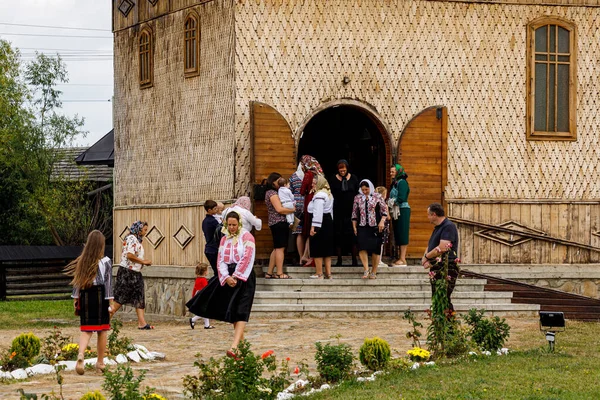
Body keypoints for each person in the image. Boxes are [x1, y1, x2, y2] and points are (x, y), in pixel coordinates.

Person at [186, 211, 257, 357]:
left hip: (244, 275)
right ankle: (243, 348)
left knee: (241, 310)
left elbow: (247, 257)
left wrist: (237, 275)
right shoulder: (224, 239)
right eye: (229, 225)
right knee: (233, 310)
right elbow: (220, 260)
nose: (231, 228)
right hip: (229, 276)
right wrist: (226, 277)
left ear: (239, 224)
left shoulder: (247, 237)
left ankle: (235, 346)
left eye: (234, 225)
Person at [64, 230, 113, 375]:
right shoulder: (106, 262)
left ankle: (81, 355)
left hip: (85, 294)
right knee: (102, 330)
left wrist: (76, 298)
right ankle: (100, 363)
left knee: (87, 329)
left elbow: (77, 282)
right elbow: (108, 284)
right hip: (100, 295)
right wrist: (110, 302)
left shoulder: (82, 261)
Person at [111, 221, 154, 329]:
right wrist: (143, 262)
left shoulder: (136, 240)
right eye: (144, 230)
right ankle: (105, 319)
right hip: (127, 272)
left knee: (139, 296)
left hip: (135, 272)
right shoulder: (131, 239)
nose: (145, 232)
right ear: (138, 229)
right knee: (120, 297)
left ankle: (142, 323)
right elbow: (130, 255)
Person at [421, 203, 459, 311]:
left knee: (444, 298)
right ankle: (439, 324)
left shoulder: (448, 226)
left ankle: (449, 325)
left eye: (428, 214)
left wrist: (428, 257)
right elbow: (432, 244)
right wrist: (425, 258)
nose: (427, 217)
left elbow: (443, 248)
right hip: (437, 266)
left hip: (447, 267)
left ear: (434, 214)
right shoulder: (438, 228)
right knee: (437, 297)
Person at [352, 179, 388, 279]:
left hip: (375, 225)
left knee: (375, 248)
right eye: (363, 190)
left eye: (366, 189)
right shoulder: (358, 198)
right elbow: (354, 213)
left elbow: (384, 210)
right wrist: (354, 225)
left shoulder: (377, 196)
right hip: (362, 225)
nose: (365, 192)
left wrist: (382, 221)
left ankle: (374, 271)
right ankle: (366, 269)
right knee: (361, 246)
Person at [264, 172, 295, 279]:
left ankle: (269, 272)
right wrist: (292, 210)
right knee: (281, 248)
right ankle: (280, 273)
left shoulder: (272, 192)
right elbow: (279, 209)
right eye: (279, 180)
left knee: (276, 248)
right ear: (273, 182)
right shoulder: (272, 193)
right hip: (278, 222)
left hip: (275, 223)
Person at [329, 159, 360, 266]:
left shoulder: (354, 178)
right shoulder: (333, 179)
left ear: (347, 168)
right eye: (340, 169)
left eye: (344, 169)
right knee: (338, 235)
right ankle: (339, 259)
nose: (342, 171)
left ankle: (354, 259)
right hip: (338, 212)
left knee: (352, 235)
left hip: (351, 212)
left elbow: (357, 194)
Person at [308, 174, 335, 279]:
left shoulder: (319, 195)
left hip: (320, 222)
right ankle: (328, 273)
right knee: (327, 248)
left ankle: (319, 273)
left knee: (317, 246)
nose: (313, 185)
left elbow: (317, 212)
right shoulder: (328, 193)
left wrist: (313, 226)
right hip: (328, 222)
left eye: (314, 183)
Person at [299, 155, 324, 266]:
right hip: (319, 204)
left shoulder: (308, 174)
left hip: (310, 203)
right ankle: (307, 255)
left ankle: (308, 256)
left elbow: (302, 190)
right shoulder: (320, 174)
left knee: (310, 230)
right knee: (314, 230)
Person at [389, 164, 411, 266]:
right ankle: (400, 258)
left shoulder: (402, 183)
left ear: (398, 172)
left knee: (403, 233)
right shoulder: (395, 183)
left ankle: (403, 258)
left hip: (403, 210)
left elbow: (401, 198)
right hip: (396, 210)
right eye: (390, 172)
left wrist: (391, 202)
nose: (391, 173)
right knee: (398, 233)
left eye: (393, 172)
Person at [189, 263, 214, 330]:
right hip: (203, 296)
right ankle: (193, 319)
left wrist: (193, 296)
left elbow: (195, 288)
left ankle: (207, 325)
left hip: (198, 295)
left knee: (205, 311)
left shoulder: (197, 279)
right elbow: (206, 289)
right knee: (204, 311)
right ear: (204, 271)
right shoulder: (203, 280)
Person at [289, 162, 306, 263]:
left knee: (297, 232)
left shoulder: (293, 177)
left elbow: (289, 191)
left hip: (295, 206)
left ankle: (299, 257)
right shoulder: (311, 176)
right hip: (308, 205)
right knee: (305, 232)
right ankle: (305, 256)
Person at [202, 200, 220, 276]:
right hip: (214, 249)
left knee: (216, 272)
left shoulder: (205, 221)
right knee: (218, 272)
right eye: (215, 208)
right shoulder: (213, 221)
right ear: (209, 210)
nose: (217, 210)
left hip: (209, 249)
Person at [375, 186, 391, 268]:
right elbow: (388, 217)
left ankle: (377, 260)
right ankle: (379, 260)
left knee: (378, 243)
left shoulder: (375, 204)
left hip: (377, 225)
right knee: (381, 244)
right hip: (384, 226)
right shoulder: (384, 205)